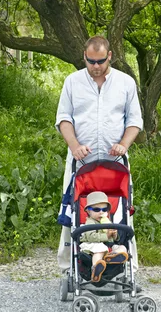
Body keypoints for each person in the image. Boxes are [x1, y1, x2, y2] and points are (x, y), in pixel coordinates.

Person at [55, 35, 143, 272]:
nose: (95, 67)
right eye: (91, 61)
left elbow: (134, 121)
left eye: (100, 61)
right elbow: (63, 118)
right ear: (84, 57)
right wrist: (74, 146)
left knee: (120, 210)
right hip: (81, 160)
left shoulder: (125, 83)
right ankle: (70, 265)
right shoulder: (72, 82)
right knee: (74, 209)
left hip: (115, 161)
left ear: (110, 57)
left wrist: (124, 144)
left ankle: (125, 263)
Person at [80, 191, 129, 282]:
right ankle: (96, 269)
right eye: (97, 210)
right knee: (100, 250)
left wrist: (114, 234)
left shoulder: (107, 221)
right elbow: (91, 237)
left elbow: (113, 239)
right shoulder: (90, 222)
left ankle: (113, 256)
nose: (101, 212)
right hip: (92, 245)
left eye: (104, 209)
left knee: (122, 247)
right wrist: (106, 235)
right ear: (88, 211)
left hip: (108, 246)